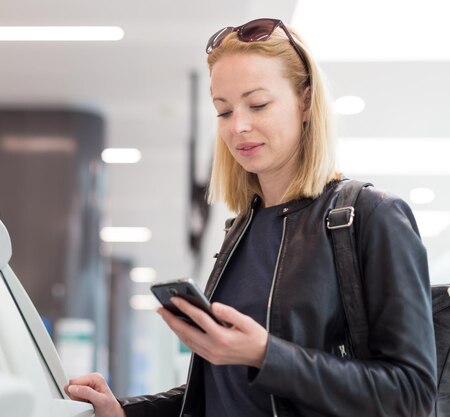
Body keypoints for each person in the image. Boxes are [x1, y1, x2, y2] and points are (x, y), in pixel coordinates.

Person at [64, 18, 436, 417]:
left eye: (258, 104)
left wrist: (266, 355)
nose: (238, 126)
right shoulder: (241, 230)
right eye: (223, 111)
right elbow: (226, 392)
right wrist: (125, 411)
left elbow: (411, 394)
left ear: (306, 102)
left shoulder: (370, 216)